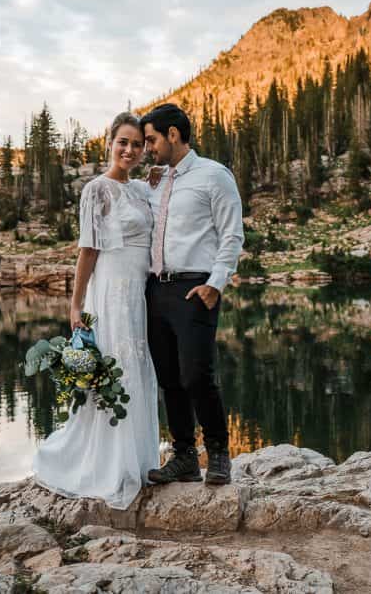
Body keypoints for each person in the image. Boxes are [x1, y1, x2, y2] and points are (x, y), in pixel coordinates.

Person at [31, 112, 160, 509]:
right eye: (123, 142)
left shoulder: (141, 190)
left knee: (138, 367)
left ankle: (138, 461)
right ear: (110, 143)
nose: (130, 150)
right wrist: (76, 304)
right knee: (116, 364)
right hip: (111, 291)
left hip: (141, 291)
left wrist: (155, 179)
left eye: (138, 144)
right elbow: (88, 251)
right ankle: (108, 466)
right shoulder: (96, 190)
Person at [141, 103, 244, 486]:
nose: (148, 147)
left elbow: (232, 234)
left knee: (196, 374)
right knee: (168, 378)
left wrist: (215, 284)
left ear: (172, 134)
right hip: (155, 289)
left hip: (194, 288)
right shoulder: (156, 181)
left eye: (151, 139)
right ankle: (183, 455)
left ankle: (218, 453)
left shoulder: (214, 176)